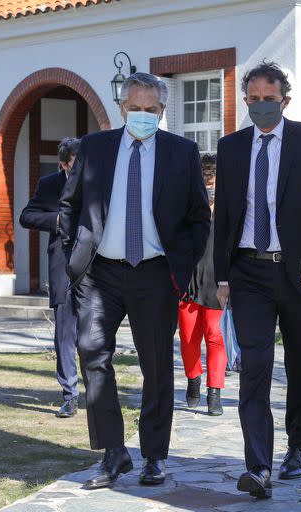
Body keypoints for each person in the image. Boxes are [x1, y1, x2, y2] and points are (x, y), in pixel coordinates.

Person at [59, 72, 210, 490]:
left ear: (162, 112)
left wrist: (184, 263)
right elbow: (68, 207)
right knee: (92, 354)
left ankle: (155, 457)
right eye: (136, 108)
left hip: (156, 274)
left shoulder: (182, 152)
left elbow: (200, 217)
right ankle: (113, 453)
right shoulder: (95, 148)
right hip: (101, 272)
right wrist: (73, 254)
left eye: (152, 110)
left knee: (157, 367)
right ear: (122, 108)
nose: (143, 115)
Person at [213, 61, 301, 499]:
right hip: (249, 271)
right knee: (255, 367)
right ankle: (259, 467)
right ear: (245, 100)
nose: (261, 106)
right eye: (254, 99)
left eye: (270, 99)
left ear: (286, 99)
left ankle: (299, 445)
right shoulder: (230, 148)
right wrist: (222, 276)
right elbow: (225, 215)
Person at [19, 137, 81, 418]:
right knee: (65, 333)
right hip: (62, 265)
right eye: (72, 167)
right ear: (62, 164)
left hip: (96, 265)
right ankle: (70, 395)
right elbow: (26, 216)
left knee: (95, 334)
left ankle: (98, 391)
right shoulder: (49, 185)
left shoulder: (97, 181)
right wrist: (57, 221)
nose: (78, 172)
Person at [180, 154, 227, 417]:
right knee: (188, 338)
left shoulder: (229, 207)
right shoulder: (188, 206)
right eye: (207, 180)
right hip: (189, 278)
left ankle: (214, 392)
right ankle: (194, 379)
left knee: (214, 335)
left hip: (218, 280)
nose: (210, 186)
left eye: (214, 180)